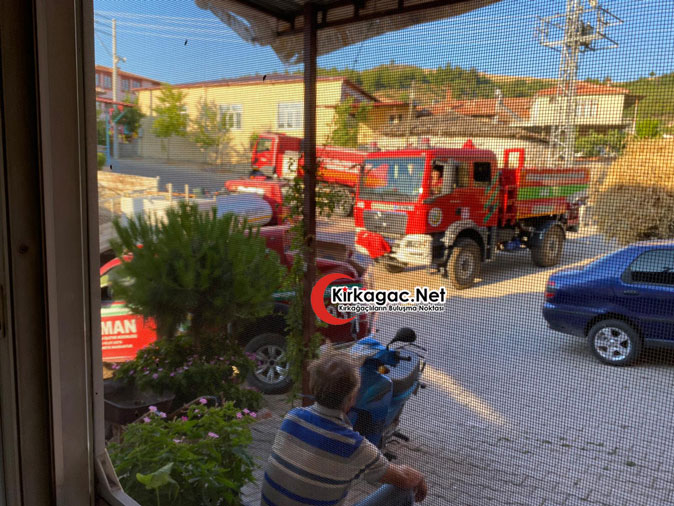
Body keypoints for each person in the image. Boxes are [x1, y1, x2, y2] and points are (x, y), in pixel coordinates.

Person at [260, 349, 428, 506]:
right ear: (352, 398)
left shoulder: (292, 418)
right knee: (403, 490)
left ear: (314, 385)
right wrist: (418, 477)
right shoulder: (354, 446)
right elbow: (405, 479)